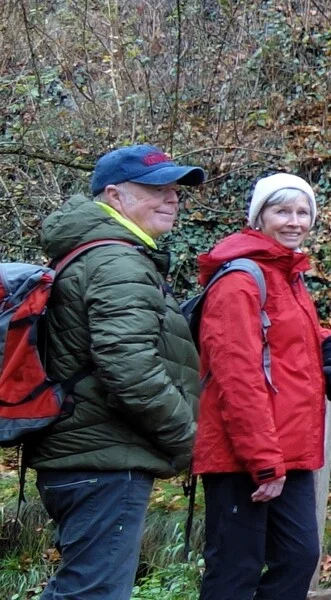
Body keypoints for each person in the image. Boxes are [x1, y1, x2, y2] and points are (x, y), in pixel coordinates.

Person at [30, 145, 204, 599]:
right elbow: (128, 367)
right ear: (114, 195)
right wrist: (189, 439)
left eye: (174, 190)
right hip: (103, 457)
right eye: (156, 189)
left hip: (83, 452)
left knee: (85, 587)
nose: (171, 199)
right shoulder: (117, 262)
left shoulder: (93, 254)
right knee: (94, 592)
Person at [191, 174, 331, 598]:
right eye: (282, 211)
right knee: (234, 571)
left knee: (298, 559)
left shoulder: (285, 274)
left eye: (303, 212)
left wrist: (330, 343)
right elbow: (235, 374)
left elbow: (291, 331)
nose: (294, 221)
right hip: (243, 453)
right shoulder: (240, 279)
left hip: (290, 448)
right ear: (259, 217)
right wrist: (262, 460)